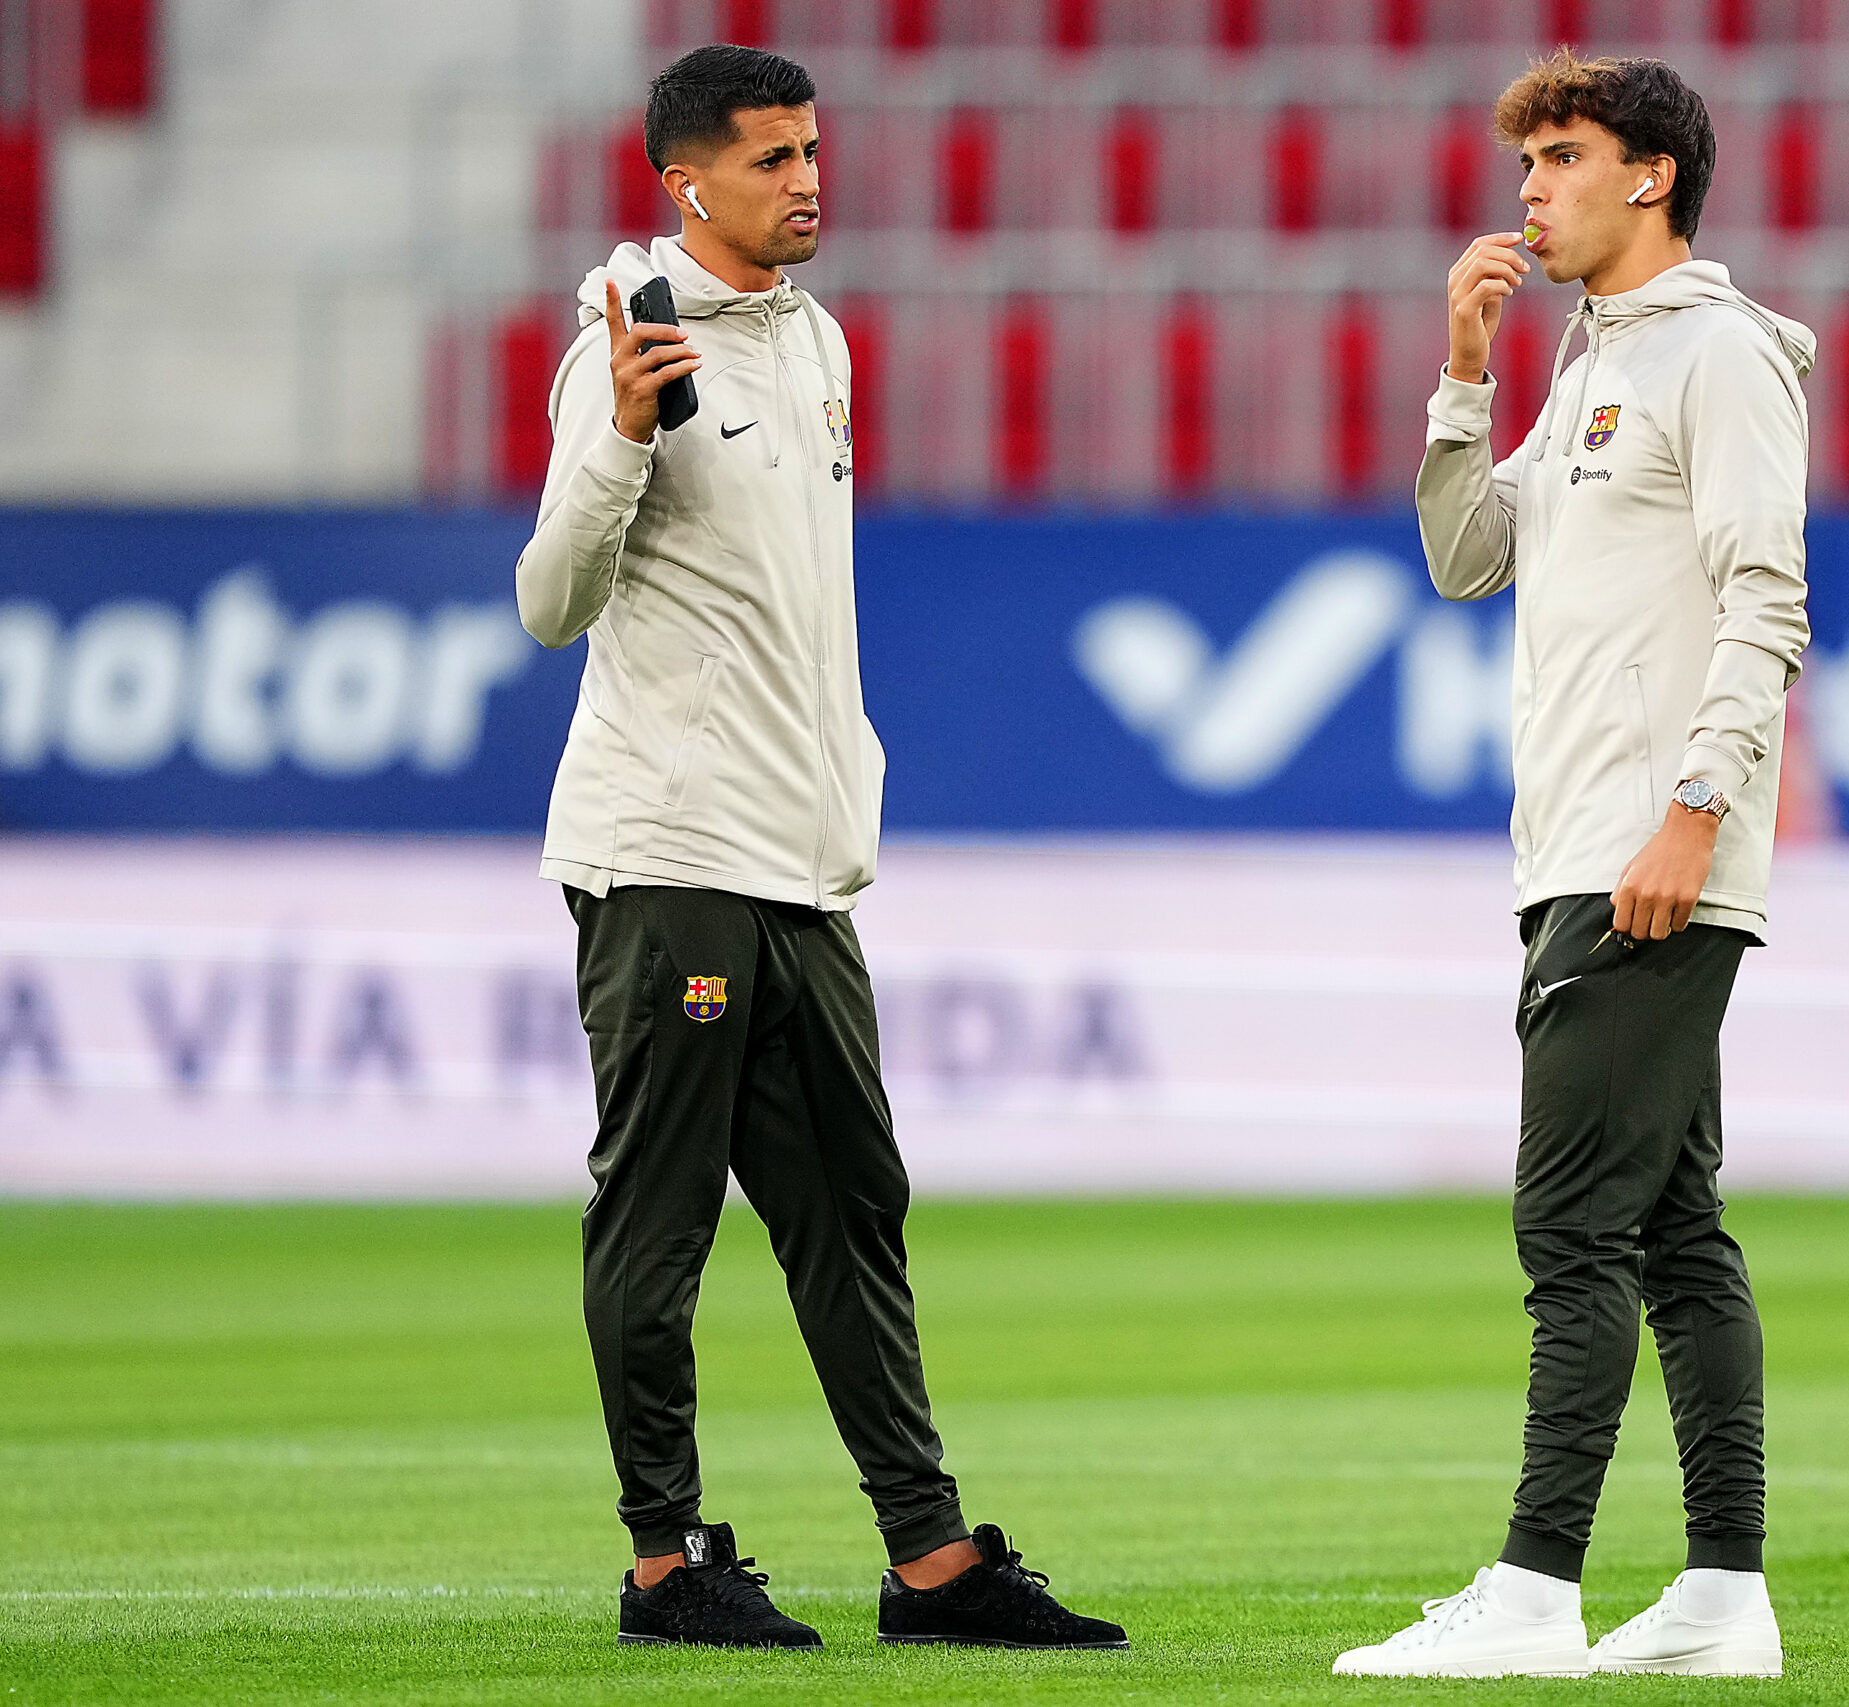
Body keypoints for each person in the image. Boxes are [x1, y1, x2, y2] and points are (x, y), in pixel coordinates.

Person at [515, 43, 1125, 1655]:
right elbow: (547, 602)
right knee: (658, 1222)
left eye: (811, 150)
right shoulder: (623, 344)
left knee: (855, 1208)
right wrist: (624, 442)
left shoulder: (816, 339)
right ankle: (664, 1564)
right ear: (686, 179)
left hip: (800, 860)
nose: (807, 180)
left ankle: (930, 1564)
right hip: (670, 854)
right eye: (774, 157)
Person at [1332, 50, 1814, 1680]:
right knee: (1672, 1229)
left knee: (1572, 1233)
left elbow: (1770, 597)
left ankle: (1535, 1593)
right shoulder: (1592, 359)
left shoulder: (1720, 359)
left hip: (1648, 852)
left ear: (1652, 178)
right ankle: (1724, 1597)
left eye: (1561, 156)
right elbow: (1471, 558)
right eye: (1527, 160)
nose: (1530, 187)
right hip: (1582, 849)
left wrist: (1693, 808)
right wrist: (1464, 371)